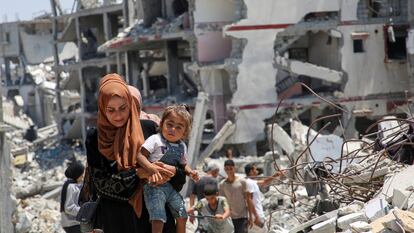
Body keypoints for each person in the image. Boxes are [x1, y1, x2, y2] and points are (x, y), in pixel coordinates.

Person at [83, 73, 179, 233]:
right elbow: (101, 185)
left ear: (130, 104)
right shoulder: (96, 138)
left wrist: (169, 171)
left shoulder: (149, 128)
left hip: (154, 215)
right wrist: (139, 174)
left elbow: (175, 171)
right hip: (117, 219)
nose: (118, 116)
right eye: (111, 110)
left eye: (122, 108)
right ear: (102, 108)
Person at [137, 104, 199, 233]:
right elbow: (140, 156)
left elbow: (183, 164)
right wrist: (151, 169)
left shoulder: (182, 146)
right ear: (161, 123)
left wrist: (191, 172)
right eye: (169, 124)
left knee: (182, 213)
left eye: (178, 127)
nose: (173, 129)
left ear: (185, 132)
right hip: (154, 186)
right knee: (158, 216)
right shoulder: (155, 139)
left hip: (169, 187)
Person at [219, 160, 254, 233]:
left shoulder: (242, 181)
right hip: (230, 218)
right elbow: (222, 202)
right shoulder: (222, 184)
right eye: (227, 169)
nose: (229, 171)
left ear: (234, 168)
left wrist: (250, 216)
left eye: (231, 168)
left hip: (242, 216)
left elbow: (248, 199)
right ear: (224, 169)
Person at [188, 162, 220, 231]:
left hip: (201, 210)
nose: (218, 174)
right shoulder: (215, 181)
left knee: (201, 228)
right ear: (215, 171)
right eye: (218, 172)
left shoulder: (199, 181)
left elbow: (192, 196)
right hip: (213, 212)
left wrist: (191, 212)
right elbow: (218, 197)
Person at [61, 160, 85, 233]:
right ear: (77, 174)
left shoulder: (70, 184)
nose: (83, 176)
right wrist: (84, 212)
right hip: (72, 224)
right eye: (81, 174)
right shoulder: (71, 186)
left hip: (71, 223)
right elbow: (69, 207)